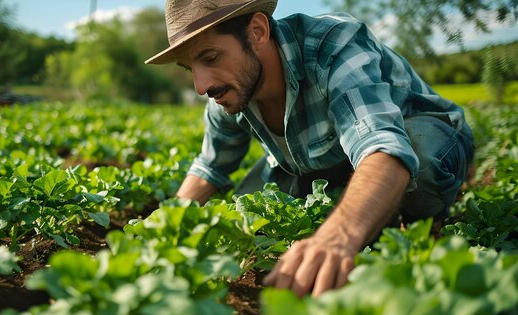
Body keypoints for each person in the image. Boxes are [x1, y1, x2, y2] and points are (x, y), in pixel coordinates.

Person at [145, 0, 474, 297]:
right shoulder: (227, 89)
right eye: (191, 69)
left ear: (257, 31)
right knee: (248, 208)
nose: (201, 86)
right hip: (329, 163)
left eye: (211, 57)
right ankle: (364, 212)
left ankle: (419, 230)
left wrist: (337, 237)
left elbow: (383, 147)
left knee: (422, 164)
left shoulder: (333, 45)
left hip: (414, 135)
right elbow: (210, 168)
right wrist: (156, 237)